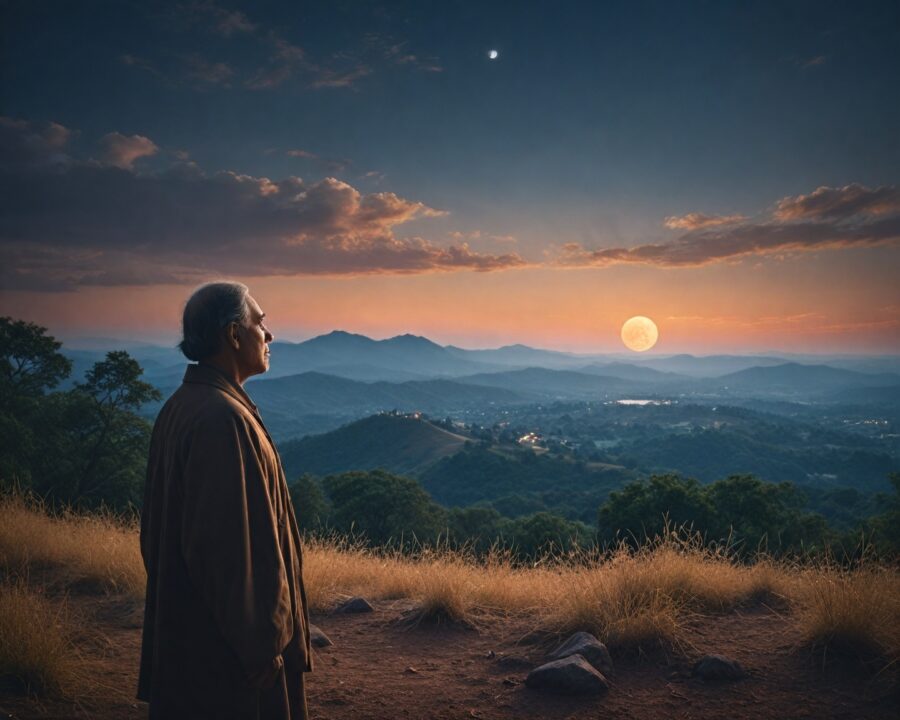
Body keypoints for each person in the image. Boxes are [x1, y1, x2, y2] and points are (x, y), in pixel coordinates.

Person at [138, 282, 312, 719]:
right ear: (234, 335)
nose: (268, 335)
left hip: (197, 641)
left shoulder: (186, 405)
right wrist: (261, 644)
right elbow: (225, 549)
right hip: (228, 661)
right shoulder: (220, 418)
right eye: (260, 322)